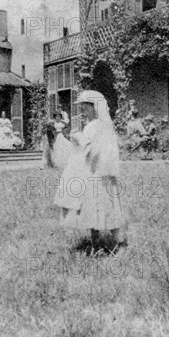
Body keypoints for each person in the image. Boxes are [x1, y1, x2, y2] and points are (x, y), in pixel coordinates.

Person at [54, 90, 127, 248]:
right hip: (93, 170)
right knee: (92, 206)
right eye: (83, 108)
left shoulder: (99, 126)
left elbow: (93, 148)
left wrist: (78, 137)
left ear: (95, 108)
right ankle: (96, 241)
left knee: (105, 205)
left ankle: (117, 240)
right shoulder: (94, 126)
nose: (84, 111)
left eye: (86, 108)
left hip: (100, 172)